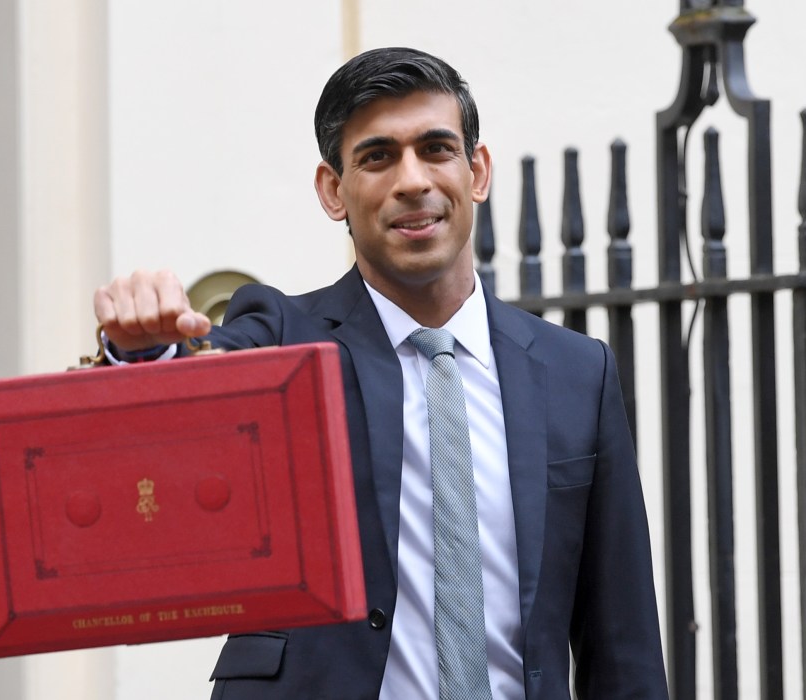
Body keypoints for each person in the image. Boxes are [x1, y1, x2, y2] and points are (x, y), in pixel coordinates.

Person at [94, 47, 668, 700]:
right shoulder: (283, 337)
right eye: (377, 157)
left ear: (476, 170)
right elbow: (180, 414)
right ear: (332, 190)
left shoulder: (576, 373)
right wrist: (142, 353)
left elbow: (621, 642)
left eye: (435, 148)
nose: (412, 180)